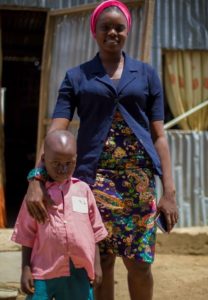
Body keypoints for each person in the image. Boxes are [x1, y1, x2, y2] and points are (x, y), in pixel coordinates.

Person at [25, 1, 178, 300]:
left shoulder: (146, 75)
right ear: (94, 31)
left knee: (139, 264)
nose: (112, 32)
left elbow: (159, 135)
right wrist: (37, 177)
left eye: (119, 27)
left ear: (127, 31)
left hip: (140, 184)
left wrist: (168, 191)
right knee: (100, 263)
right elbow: (56, 131)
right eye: (105, 27)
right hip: (93, 184)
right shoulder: (77, 77)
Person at [11, 130, 108, 300]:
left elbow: (95, 232)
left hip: (79, 269)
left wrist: (97, 265)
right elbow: (26, 235)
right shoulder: (36, 196)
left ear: (76, 160)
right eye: (56, 163)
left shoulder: (83, 190)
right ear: (43, 160)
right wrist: (26, 268)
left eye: (68, 163)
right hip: (43, 270)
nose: (63, 169)